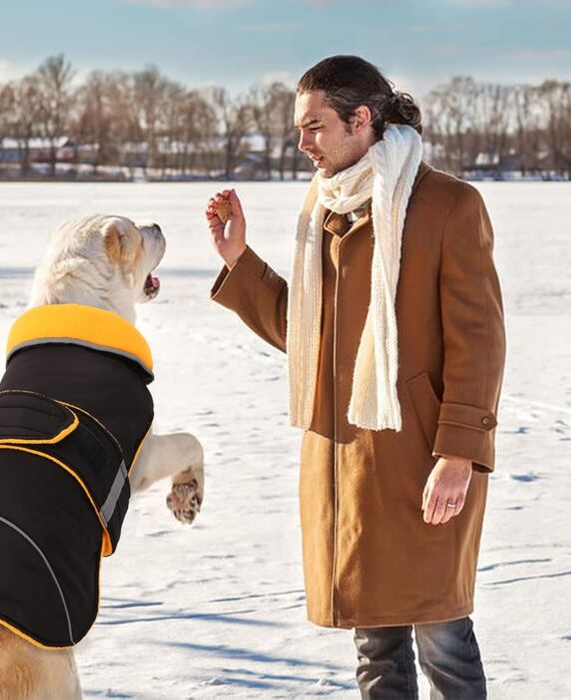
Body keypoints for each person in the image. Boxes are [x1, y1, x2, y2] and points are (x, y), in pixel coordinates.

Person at [204, 55, 506, 699]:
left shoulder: (448, 205)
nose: (302, 143)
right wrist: (240, 260)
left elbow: (479, 343)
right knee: (374, 644)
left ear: (360, 120)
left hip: (421, 457)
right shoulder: (325, 207)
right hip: (348, 461)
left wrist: (459, 454)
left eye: (314, 127)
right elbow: (311, 336)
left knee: (442, 635)